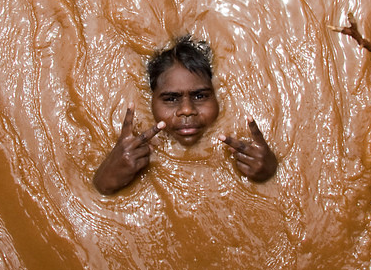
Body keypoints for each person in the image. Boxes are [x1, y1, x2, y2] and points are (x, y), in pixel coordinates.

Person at [93, 35, 278, 194]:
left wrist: (270, 169)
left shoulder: (240, 136)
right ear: (150, 101)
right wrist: (105, 180)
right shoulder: (129, 145)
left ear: (218, 95)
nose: (187, 110)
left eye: (200, 96)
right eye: (171, 99)